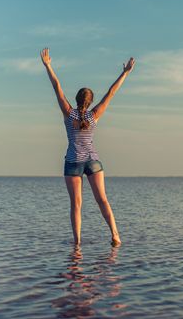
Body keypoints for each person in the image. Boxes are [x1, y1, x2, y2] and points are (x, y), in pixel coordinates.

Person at [40, 48, 135, 247]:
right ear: (90, 101)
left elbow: (57, 87)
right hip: (92, 161)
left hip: (73, 162)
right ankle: (116, 235)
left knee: (76, 205)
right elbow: (111, 92)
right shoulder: (94, 115)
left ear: (76, 100)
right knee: (103, 200)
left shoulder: (68, 113)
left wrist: (48, 65)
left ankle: (77, 244)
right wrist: (125, 72)